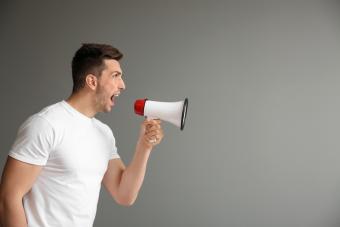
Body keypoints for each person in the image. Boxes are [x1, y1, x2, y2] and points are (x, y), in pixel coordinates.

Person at [0, 43, 164, 227]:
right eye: (115, 76)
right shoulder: (45, 124)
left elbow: (124, 195)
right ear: (92, 81)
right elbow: (8, 198)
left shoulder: (103, 133)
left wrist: (144, 147)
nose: (123, 85)